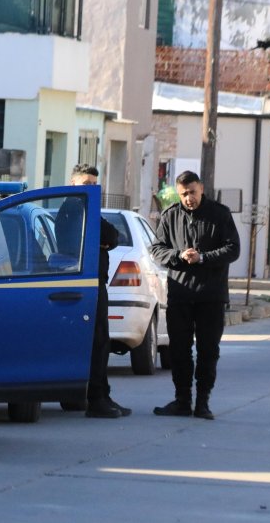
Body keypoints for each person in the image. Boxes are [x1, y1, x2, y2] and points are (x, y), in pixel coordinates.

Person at [149, 170, 240, 420]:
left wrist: (203, 258)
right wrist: (179, 256)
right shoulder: (170, 216)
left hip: (211, 296)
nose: (188, 198)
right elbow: (157, 249)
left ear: (201, 188)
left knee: (208, 350)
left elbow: (233, 249)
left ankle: (203, 402)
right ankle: (182, 400)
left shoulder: (219, 214)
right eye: (183, 194)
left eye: (192, 192)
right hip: (180, 294)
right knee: (179, 350)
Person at [55, 163, 129, 418]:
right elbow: (105, 234)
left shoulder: (88, 208)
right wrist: (104, 240)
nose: (91, 188)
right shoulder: (74, 209)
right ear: (73, 184)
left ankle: (102, 395)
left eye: (95, 184)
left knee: (101, 342)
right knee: (96, 342)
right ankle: (96, 399)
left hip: (94, 283)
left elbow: (113, 236)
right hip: (85, 285)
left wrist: (106, 240)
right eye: (86, 184)